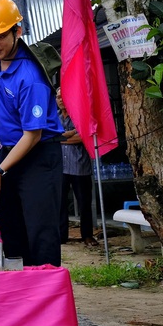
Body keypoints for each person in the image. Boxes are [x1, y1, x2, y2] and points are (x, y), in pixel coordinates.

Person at [0, 0, 64, 267]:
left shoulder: (31, 78)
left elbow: (32, 135)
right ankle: (17, 288)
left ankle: (44, 293)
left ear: (17, 32)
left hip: (38, 155)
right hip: (10, 152)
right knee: (9, 224)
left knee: (39, 230)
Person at [56, 87, 97, 247]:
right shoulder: (55, 117)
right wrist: (69, 134)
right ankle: (61, 236)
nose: (60, 99)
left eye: (62, 96)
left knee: (84, 203)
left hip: (80, 166)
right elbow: (49, 136)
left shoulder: (79, 115)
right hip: (60, 167)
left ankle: (87, 236)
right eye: (57, 97)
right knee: (60, 203)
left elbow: (84, 137)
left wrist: (60, 138)